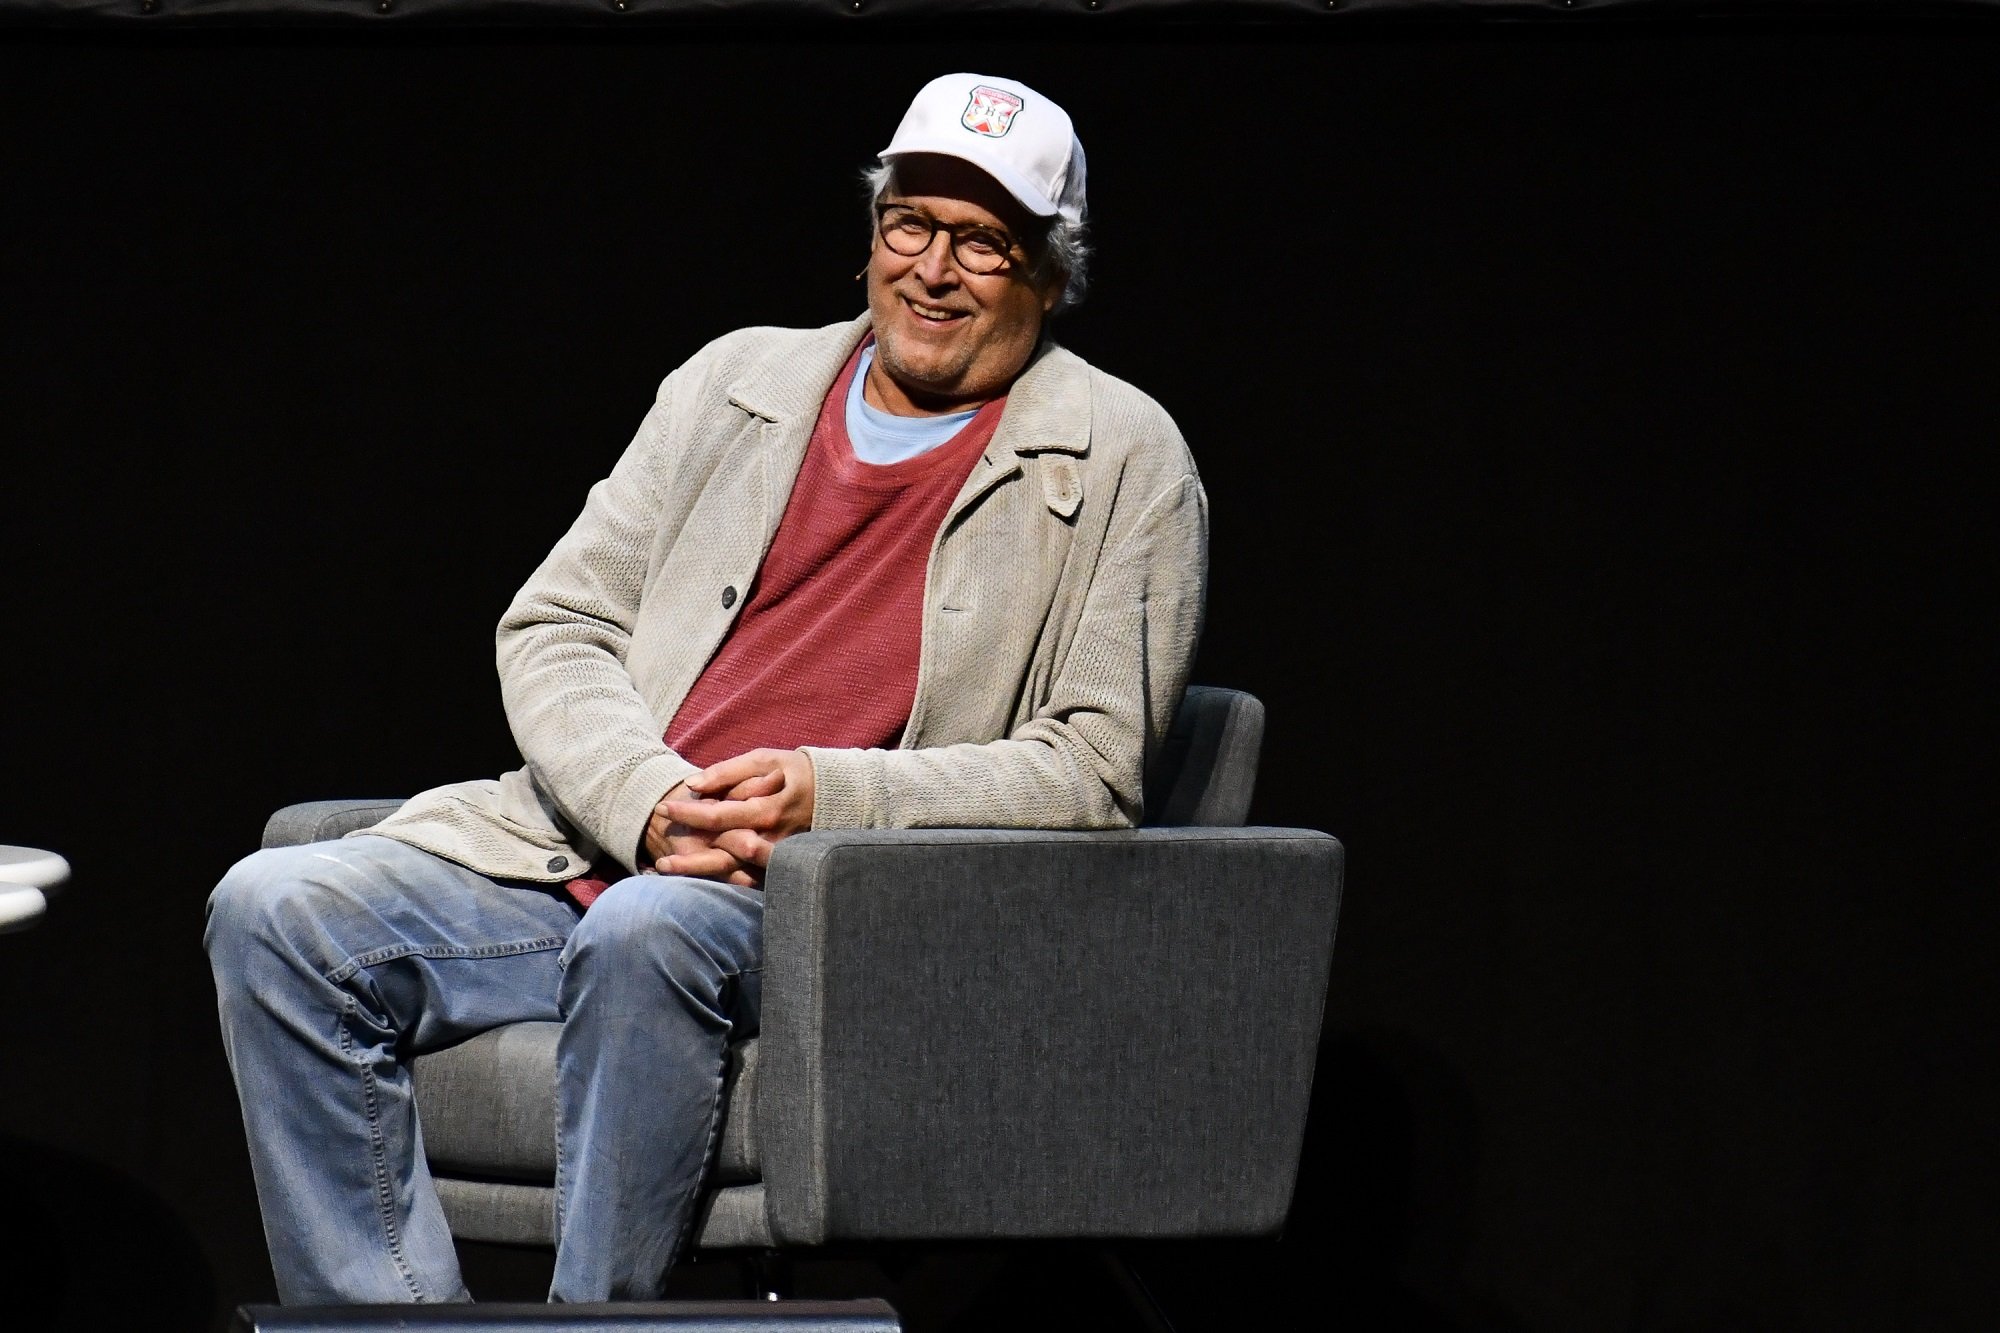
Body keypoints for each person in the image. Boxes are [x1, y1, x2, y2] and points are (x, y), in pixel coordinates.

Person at [204, 71, 1208, 1305]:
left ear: (1048, 274)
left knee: (650, 927)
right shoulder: (732, 384)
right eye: (909, 223)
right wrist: (647, 800)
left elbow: (1091, 771)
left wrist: (821, 800)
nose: (932, 269)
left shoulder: (1122, 454)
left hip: (832, 908)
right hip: (592, 847)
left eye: (983, 242)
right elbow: (557, 622)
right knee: (273, 906)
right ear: (869, 237)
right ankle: (396, 1331)